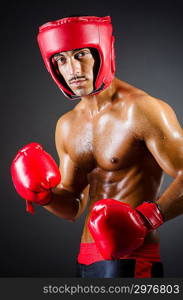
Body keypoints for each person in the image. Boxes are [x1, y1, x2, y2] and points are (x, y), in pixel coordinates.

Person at [11, 16, 183, 278]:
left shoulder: (142, 110)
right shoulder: (67, 125)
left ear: (103, 52)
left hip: (134, 257)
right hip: (85, 258)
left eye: (81, 55)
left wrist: (147, 219)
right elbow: (71, 204)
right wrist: (42, 196)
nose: (72, 69)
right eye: (61, 60)